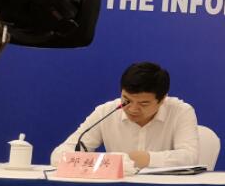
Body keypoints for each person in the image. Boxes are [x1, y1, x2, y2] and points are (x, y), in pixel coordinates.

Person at [51, 62, 199, 168]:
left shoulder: (181, 112)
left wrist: (147, 159)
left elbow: (190, 157)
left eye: (143, 104)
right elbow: (59, 155)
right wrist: (107, 161)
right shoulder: (106, 112)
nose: (132, 109)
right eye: (126, 100)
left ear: (162, 100)